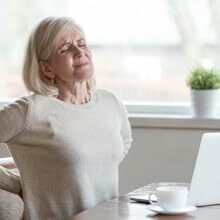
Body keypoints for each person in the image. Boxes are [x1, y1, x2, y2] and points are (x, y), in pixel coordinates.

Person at [0, 16, 132, 219]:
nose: (80, 52)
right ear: (46, 68)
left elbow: (124, 143)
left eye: (82, 44)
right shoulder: (31, 110)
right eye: (66, 48)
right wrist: (14, 181)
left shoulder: (110, 102)